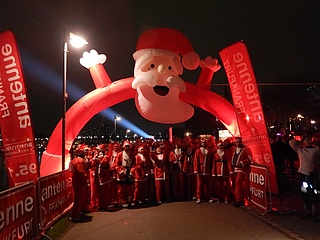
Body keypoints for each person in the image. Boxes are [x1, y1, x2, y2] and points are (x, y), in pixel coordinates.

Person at [289, 135, 320, 221]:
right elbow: (291, 142)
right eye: (307, 140)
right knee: (304, 193)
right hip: (303, 174)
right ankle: (307, 211)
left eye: (310, 139)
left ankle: (315, 213)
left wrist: (316, 167)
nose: (309, 141)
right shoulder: (301, 150)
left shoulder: (316, 150)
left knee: (314, 193)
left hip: (313, 175)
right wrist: (300, 141)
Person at [68, 146, 92, 223]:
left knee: (79, 197)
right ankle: (75, 215)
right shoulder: (79, 161)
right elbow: (80, 172)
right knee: (78, 198)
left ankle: (77, 212)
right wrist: (84, 181)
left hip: (76, 179)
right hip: (79, 180)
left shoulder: (75, 160)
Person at [230, 137, 253, 207]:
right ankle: (240, 198)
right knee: (236, 184)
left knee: (238, 184)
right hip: (235, 169)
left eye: (239, 142)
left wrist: (242, 162)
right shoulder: (234, 149)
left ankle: (238, 200)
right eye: (236, 142)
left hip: (242, 169)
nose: (238, 143)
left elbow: (250, 159)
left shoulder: (246, 149)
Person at [115, 141, 135, 208]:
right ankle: (120, 203)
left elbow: (134, 164)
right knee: (121, 189)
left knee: (130, 188)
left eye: (128, 146)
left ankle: (129, 202)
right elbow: (116, 164)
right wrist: (121, 171)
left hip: (129, 172)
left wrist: (131, 172)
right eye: (126, 146)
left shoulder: (132, 154)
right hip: (122, 172)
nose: (127, 148)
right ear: (123, 147)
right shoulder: (120, 154)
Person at [193, 138, 213, 204]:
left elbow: (211, 161)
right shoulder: (198, 151)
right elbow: (195, 161)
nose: (203, 144)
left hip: (207, 169)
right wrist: (196, 169)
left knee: (208, 184)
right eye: (202, 143)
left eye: (204, 143)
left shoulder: (209, 151)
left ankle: (208, 197)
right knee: (199, 185)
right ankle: (199, 197)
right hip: (200, 169)